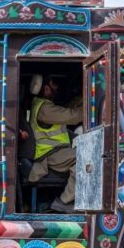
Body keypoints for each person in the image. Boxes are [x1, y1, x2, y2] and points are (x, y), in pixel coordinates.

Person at [29, 74, 83, 214]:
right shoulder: (45, 109)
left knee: (80, 159)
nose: (56, 87)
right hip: (49, 156)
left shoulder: (43, 105)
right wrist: (89, 107)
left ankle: (69, 200)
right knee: (85, 155)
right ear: (46, 89)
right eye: (53, 84)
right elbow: (72, 117)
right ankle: (64, 202)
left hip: (56, 152)